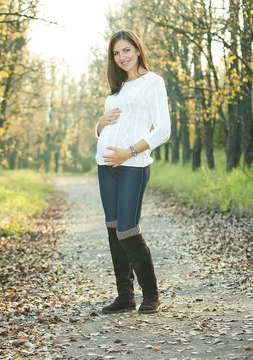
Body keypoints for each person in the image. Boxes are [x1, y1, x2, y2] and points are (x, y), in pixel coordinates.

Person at [95, 29, 171, 314]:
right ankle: (125, 297)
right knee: (114, 230)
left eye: (126, 50)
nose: (122, 57)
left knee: (128, 231)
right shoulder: (115, 91)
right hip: (106, 168)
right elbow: (104, 129)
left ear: (138, 50)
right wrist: (100, 124)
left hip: (132, 166)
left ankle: (151, 295)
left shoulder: (152, 82)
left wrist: (130, 152)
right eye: (116, 53)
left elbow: (163, 130)